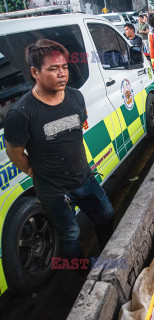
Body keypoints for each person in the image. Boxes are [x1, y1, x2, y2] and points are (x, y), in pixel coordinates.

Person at [3, 39, 114, 264]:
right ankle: (80, 273)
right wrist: (36, 173)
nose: (62, 73)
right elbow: (14, 151)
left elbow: (77, 130)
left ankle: (105, 261)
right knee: (70, 235)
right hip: (53, 191)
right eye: (53, 69)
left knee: (107, 216)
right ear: (35, 72)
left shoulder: (75, 97)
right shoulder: (21, 113)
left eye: (64, 67)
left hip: (84, 178)